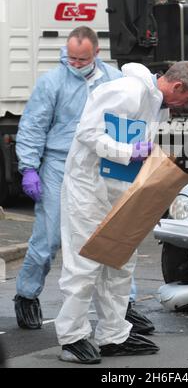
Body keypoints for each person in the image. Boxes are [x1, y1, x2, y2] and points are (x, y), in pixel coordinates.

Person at [55, 61, 188, 364]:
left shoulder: (156, 104)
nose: (186, 106)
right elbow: (88, 132)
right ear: (177, 86)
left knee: (119, 261)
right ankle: (71, 338)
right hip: (89, 189)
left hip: (118, 189)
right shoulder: (128, 91)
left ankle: (113, 335)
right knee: (85, 263)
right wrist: (127, 153)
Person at [14, 26, 151, 333]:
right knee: (49, 237)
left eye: (81, 59)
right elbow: (33, 125)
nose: (75, 64)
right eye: (71, 58)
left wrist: (134, 148)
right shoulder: (52, 82)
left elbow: (134, 114)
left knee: (116, 234)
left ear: (96, 54)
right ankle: (26, 294)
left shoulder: (115, 80)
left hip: (103, 163)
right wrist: (29, 168)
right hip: (60, 163)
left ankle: (124, 306)